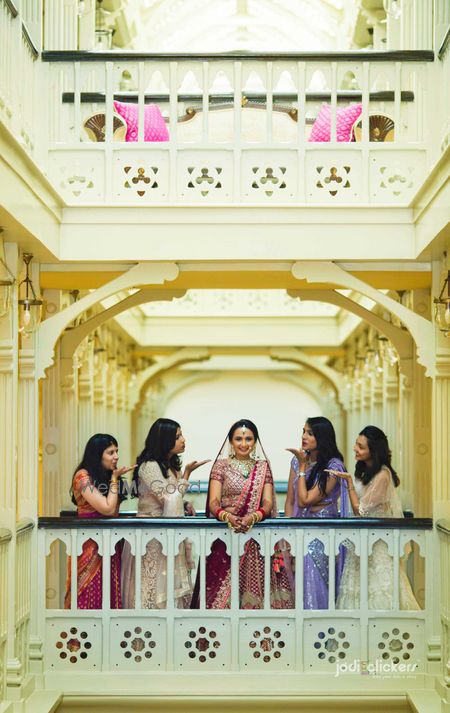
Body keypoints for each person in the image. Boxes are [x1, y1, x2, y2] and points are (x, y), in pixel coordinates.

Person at [193, 419, 290, 609]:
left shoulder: (262, 467)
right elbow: (213, 501)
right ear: (230, 441)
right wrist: (226, 516)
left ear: (255, 441)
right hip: (224, 536)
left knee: (254, 591)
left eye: (248, 439)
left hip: (255, 538)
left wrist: (252, 517)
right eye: (238, 439)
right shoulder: (221, 466)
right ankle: (218, 637)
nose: (243, 444)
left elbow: (268, 503)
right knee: (218, 595)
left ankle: (255, 637)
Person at [329, 425, 420, 610]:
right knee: (355, 590)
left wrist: (348, 483)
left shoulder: (383, 475)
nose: (355, 449)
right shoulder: (363, 470)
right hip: (360, 543)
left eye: (361, 447)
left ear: (374, 451)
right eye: (356, 444)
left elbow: (360, 511)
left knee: (379, 589)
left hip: (377, 544)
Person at [122, 418, 209, 609]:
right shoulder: (150, 466)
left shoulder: (168, 465)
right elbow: (168, 498)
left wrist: (184, 503)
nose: (183, 440)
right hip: (152, 536)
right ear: (164, 440)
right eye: (177, 436)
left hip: (166, 532)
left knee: (170, 584)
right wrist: (186, 475)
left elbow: (172, 498)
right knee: (153, 586)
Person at [64, 434, 135, 610]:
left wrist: (114, 479)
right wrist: (114, 480)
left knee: (109, 591)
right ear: (97, 455)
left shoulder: (107, 476)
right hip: (89, 545)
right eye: (111, 452)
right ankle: (81, 637)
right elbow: (107, 509)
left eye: (117, 451)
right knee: (88, 589)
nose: (116, 456)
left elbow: (114, 512)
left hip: (110, 542)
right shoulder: (83, 477)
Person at [285, 416, 350, 609]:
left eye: (310, 433)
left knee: (317, 583)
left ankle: (320, 636)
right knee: (298, 584)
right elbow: (290, 501)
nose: (304, 436)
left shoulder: (333, 467)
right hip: (299, 530)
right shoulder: (296, 462)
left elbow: (304, 500)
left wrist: (303, 467)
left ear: (322, 437)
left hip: (322, 536)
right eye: (303, 431)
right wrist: (288, 536)